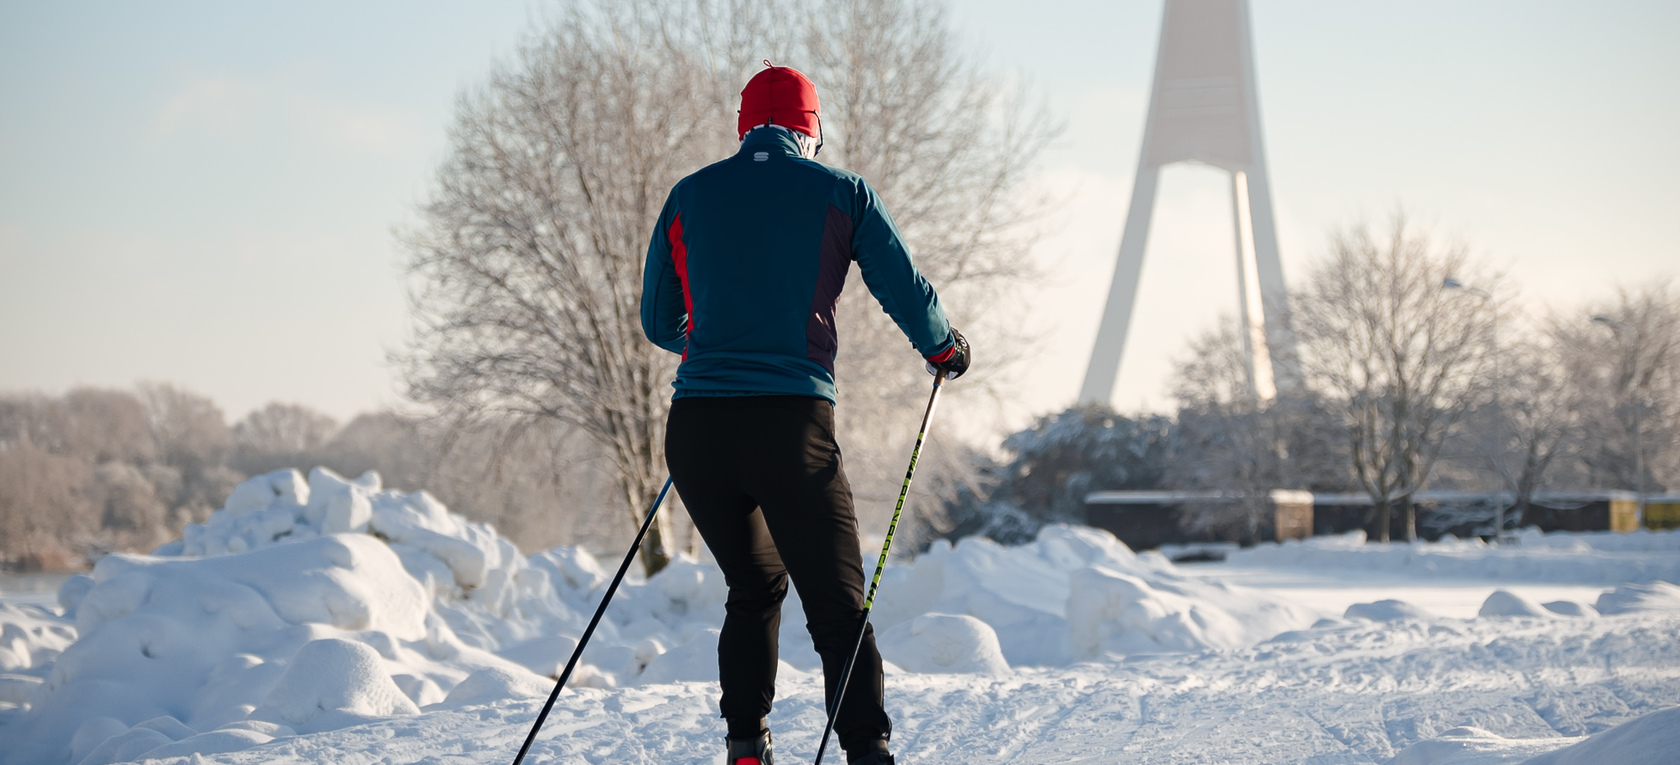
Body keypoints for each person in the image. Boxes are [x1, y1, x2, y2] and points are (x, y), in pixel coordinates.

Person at [640, 62, 971, 765]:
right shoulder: (842, 192)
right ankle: (866, 751)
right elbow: (904, 289)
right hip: (790, 427)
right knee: (836, 605)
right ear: (811, 129)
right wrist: (944, 350)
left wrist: (712, 341)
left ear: (744, 128)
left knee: (753, 583)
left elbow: (659, 321)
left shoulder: (687, 196)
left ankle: (745, 743)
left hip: (697, 431)